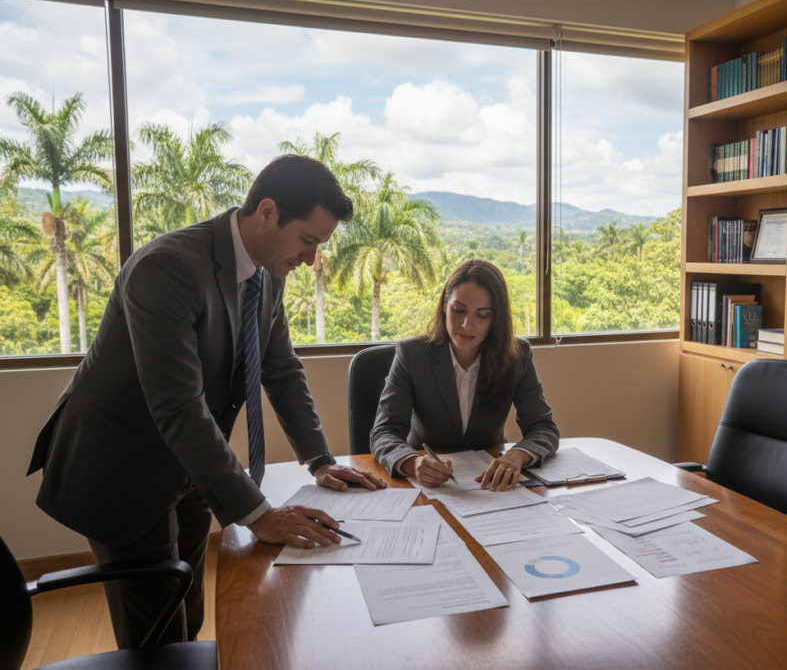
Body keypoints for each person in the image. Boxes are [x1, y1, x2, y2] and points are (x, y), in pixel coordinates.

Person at [26, 155, 386, 649]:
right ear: (266, 212)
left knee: (186, 610)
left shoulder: (267, 272)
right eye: (308, 240)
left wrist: (319, 459)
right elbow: (177, 406)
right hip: (121, 467)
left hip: (189, 464)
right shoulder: (167, 268)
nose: (310, 258)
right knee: (154, 637)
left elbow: (279, 367)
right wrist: (260, 515)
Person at [370, 259, 558, 491]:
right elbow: (384, 432)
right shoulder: (412, 355)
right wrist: (413, 462)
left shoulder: (517, 355)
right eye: (458, 310)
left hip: (491, 484)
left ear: (496, 319)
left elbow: (543, 427)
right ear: (444, 306)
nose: (467, 325)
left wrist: (518, 455)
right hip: (429, 486)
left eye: (483, 315)